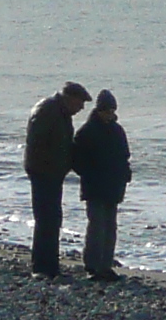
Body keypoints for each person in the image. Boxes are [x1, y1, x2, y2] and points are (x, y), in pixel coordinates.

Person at [22, 81, 89, 279]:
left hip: (50, 173)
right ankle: (42, 267)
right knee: (47, 219)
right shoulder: (47, 111)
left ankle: (49, 265)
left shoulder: (59, 112)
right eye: (80, 103)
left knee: (51, 219)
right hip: (43, 172)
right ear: (70, 98)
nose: (81, 108)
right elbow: (39, 144)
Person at [70, 90, 132, 282]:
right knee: (97, 226)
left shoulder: (117, 130)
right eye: (106, 110)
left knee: (110, 227)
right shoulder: (87, 131)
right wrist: (90, 173)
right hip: (95, 186)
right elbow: (76, 159)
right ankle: (92, 266)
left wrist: (125, 175)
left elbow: (124, 156)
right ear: (99, 110)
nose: (110, 114)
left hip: (113, 186)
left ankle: (106, 266)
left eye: (112, 110)